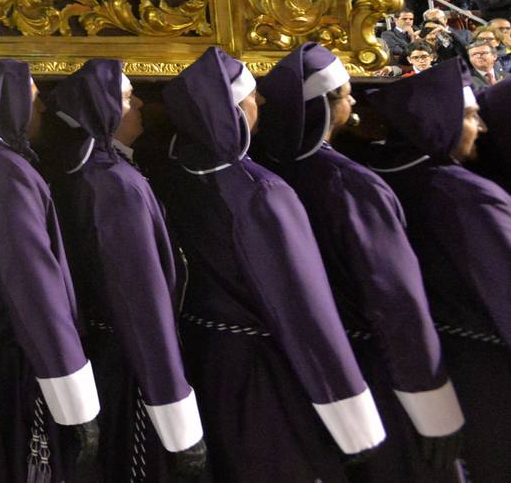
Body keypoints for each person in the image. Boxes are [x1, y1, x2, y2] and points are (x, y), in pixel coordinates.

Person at [159, 47, 385, 480]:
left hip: (209, 360)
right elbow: (305, 308)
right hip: (263, 377)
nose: (260, 101)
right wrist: (353, 419)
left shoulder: (178, 174)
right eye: (250, 94)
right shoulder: (261, 191)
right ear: (231, 109)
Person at [257, 44, 464, 480]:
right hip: (376, 369)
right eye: (347, 95)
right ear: (325, 108)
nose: (353, 104)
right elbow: (395, 298)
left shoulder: (270, 171)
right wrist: (432, 402)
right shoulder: (351, 184)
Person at [46, 60, 206, 481]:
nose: (138, 105)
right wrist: (171, 402)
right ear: (105, 111)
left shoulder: (101, 172)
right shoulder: (115, 184)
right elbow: (142, 298)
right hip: (130, 366)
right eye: (126, 97)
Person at [354, 62, 511, 480]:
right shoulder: (470, 196)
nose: (480, 127)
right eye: (470, 117)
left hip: (448, 356)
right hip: (488, 368)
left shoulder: (398, 178)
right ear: (441, 122)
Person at [0, 59, 102, 481]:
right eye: (34, 101)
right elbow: (34, 287)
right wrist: (70, 390)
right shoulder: (5, 174)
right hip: (25, 362)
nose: (42, 112)